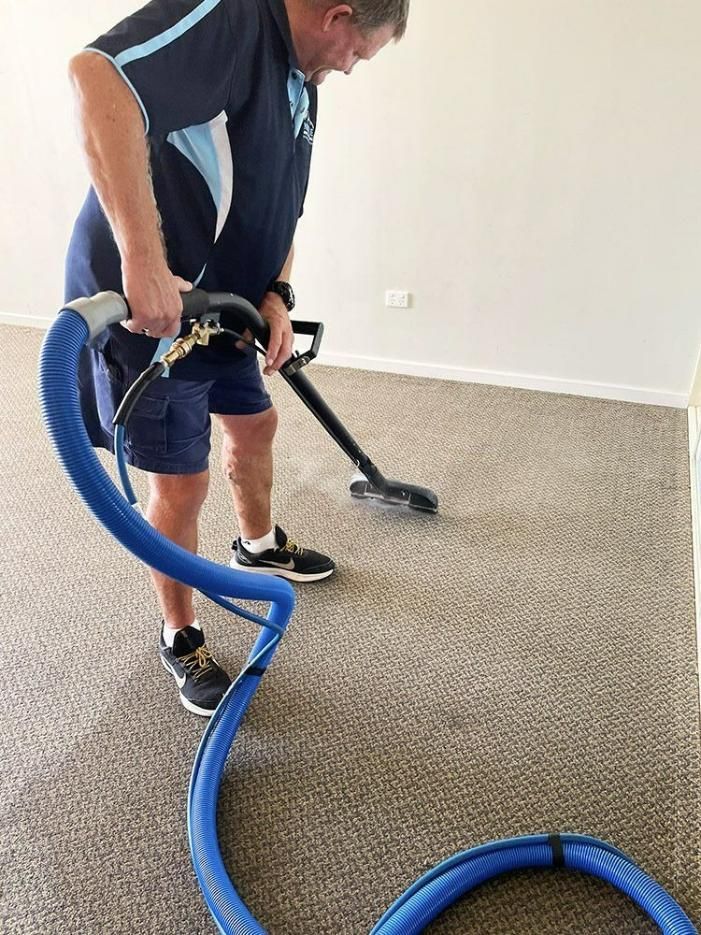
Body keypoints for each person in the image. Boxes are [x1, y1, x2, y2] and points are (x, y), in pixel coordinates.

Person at [66, 0, 409, 717]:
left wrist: (278, 293)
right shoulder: (232, 19)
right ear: (336, 16)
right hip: (155, 309)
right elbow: (97, 76)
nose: (350, 68)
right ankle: (179, 632)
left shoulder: (302, 79)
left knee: (253, 426)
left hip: (228, 308)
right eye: (357, 52)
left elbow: (283, 207)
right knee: (179, 481)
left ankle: (256, 546)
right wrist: (143, 261)